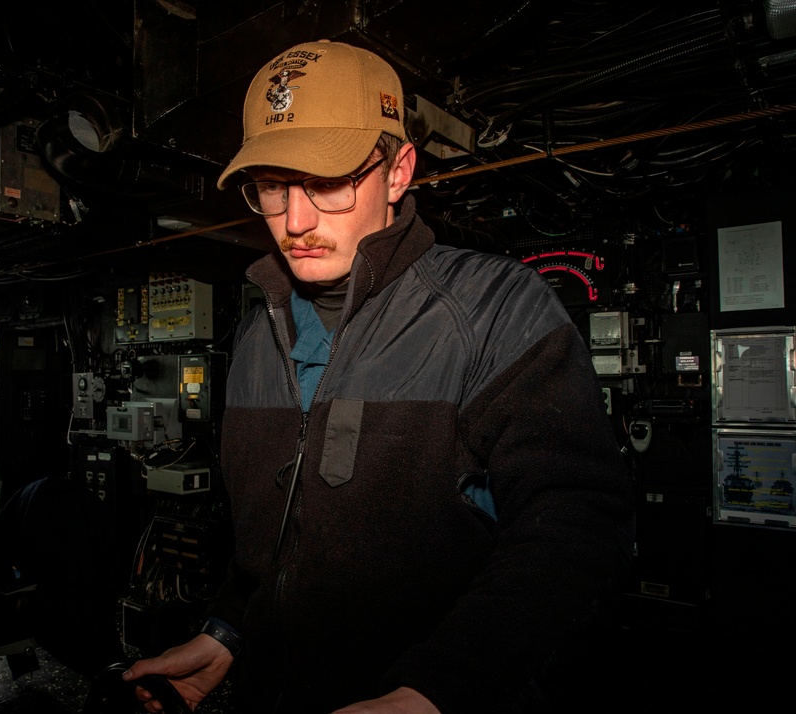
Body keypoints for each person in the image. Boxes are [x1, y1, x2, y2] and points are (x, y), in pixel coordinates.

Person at [123, 39, 635, 713]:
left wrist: (437, 690)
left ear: (399, 171)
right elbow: (277, 541)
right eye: (273, 186)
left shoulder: (495, 309)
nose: (295, 221)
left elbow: (575, 524)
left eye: (329, 181)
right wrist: (227, 632)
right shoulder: (253, 338)